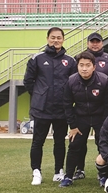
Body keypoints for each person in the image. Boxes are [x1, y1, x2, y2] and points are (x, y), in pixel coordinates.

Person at [24, 26, 77, 185]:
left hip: (61, 109)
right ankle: (36, 171)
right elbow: (28, 82)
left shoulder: (70, 61)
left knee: (59, 141)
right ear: (47, 39)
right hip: (42, 109)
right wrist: (40, 95)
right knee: (37, 141)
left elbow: (74, 83)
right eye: (53, 37)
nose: (56, 40)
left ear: (63, 39)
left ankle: (58, 171)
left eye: (59, 38)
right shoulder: (37, 58)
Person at [60, 51, 108, 187]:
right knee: (74, 146)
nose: (84, 68)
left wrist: (105, 125)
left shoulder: (104, 80)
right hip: (80, 118)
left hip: (100, 117)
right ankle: (68, 176)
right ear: (77, 66)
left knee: (103, 146)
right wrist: (72, 126)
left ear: (94, 67)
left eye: (88, 65)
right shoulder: (71, 81)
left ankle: (104, 175)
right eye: (81, 65)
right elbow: (67, 104)